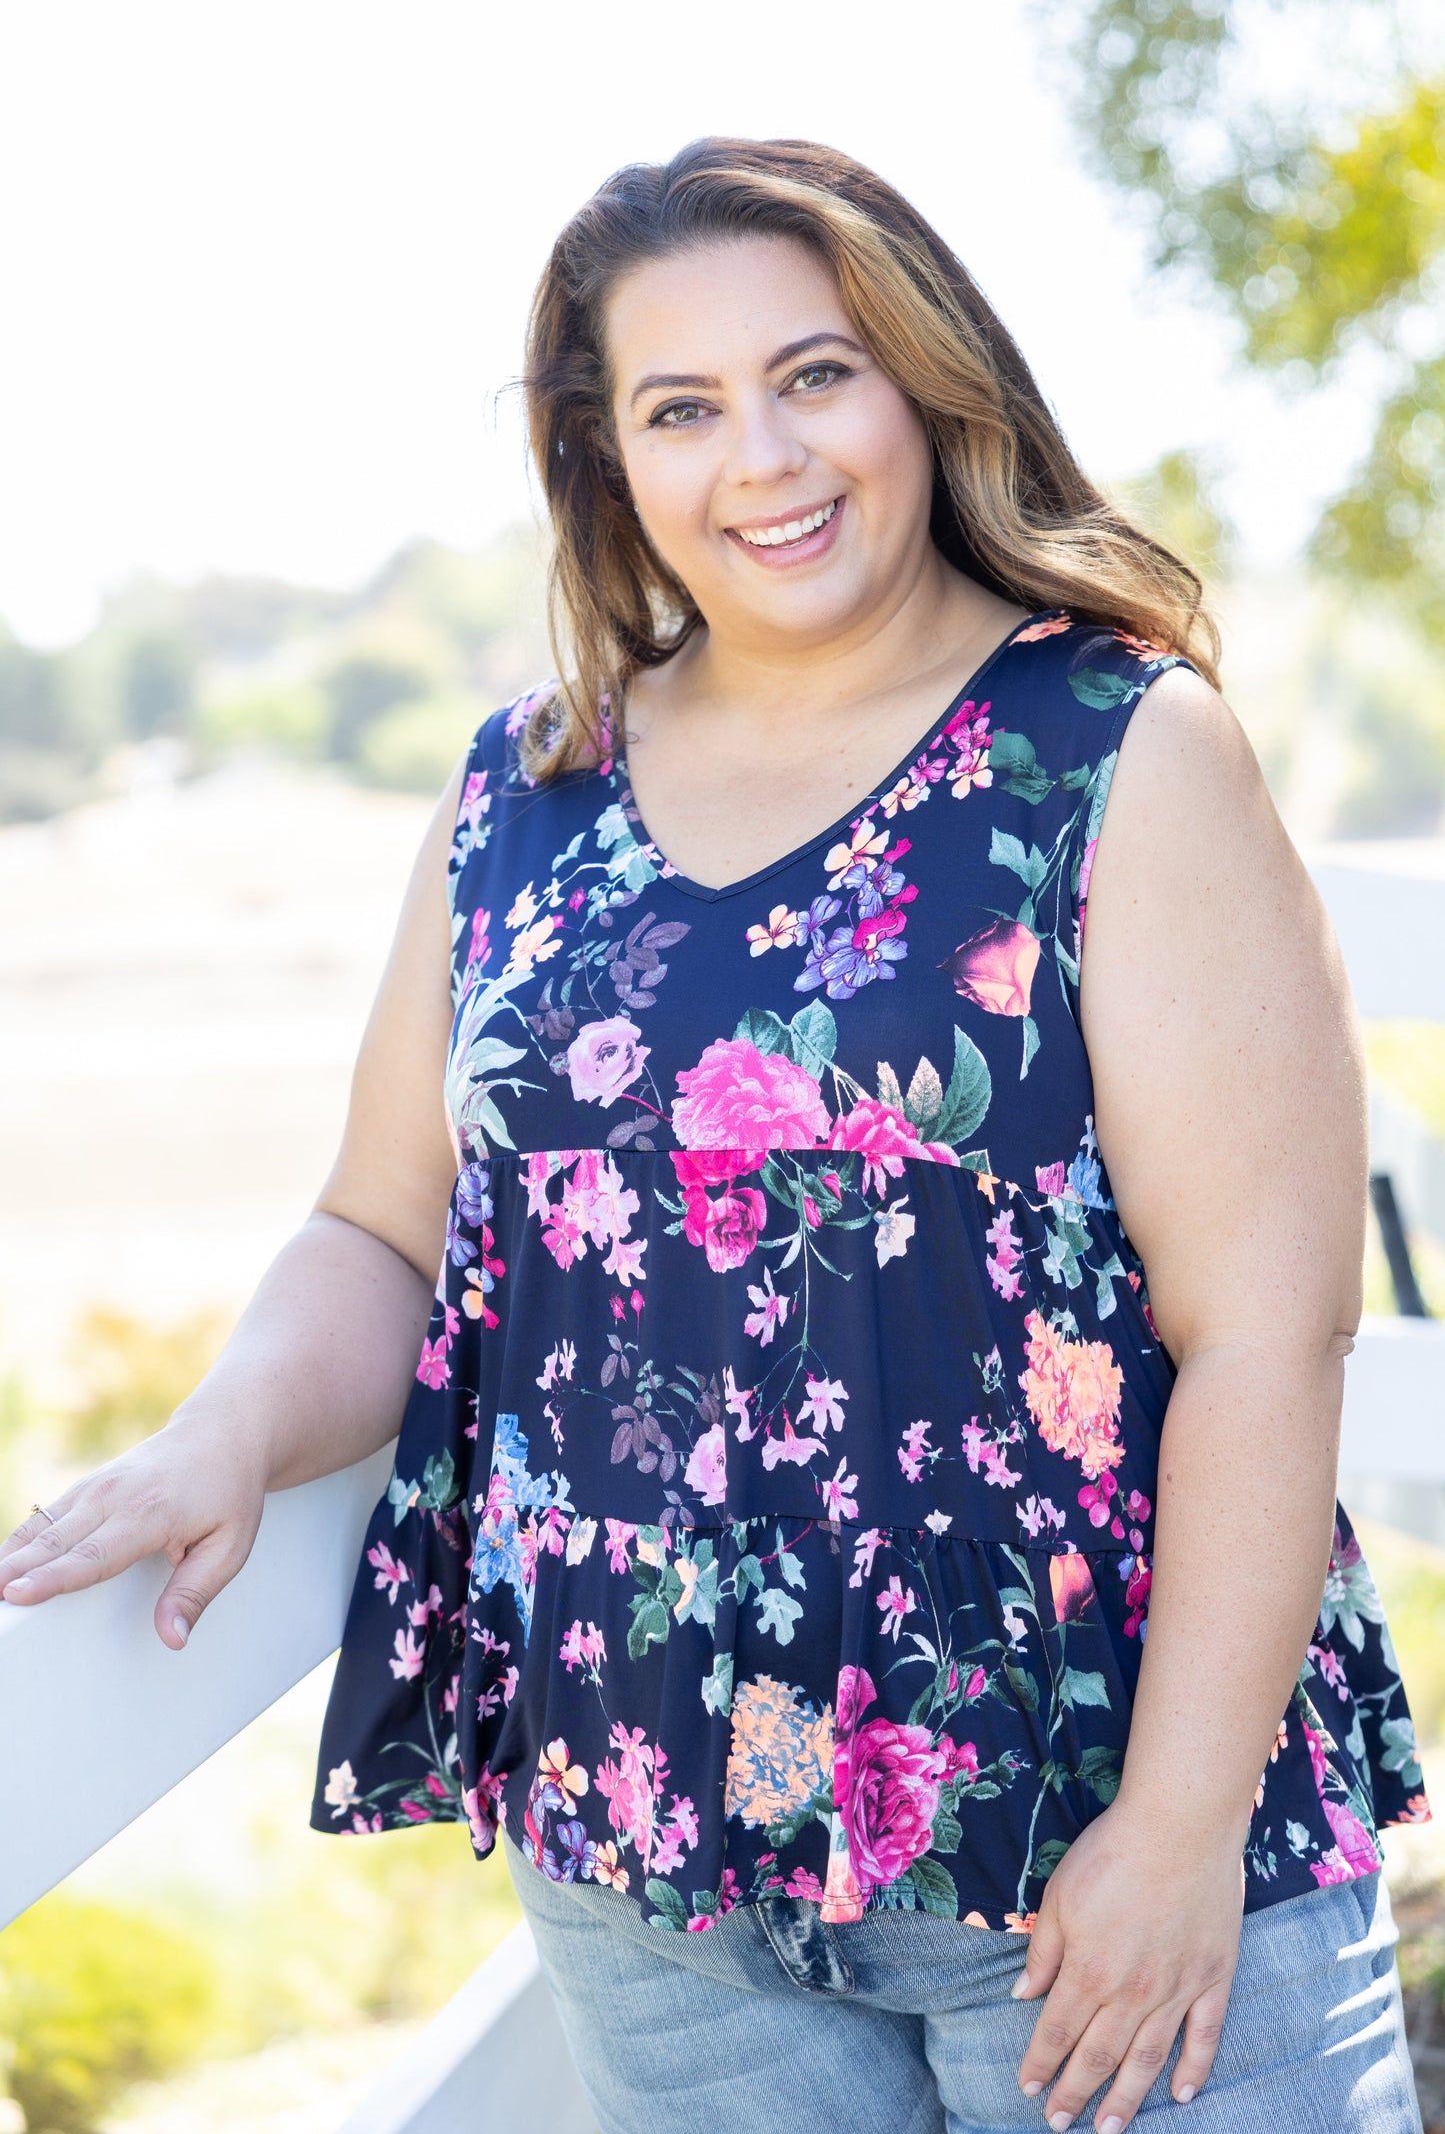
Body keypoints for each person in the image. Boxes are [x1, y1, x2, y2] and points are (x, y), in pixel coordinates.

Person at [0, 137, 1430, 2134]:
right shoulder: (524, 783)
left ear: (929, 386)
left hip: (1083, 1816)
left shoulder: (1114, 745)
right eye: (683, 407)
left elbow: (1269, 1325)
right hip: (653, 1836)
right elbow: (381, 1229)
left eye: (817, 374)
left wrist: (1186, 1823)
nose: (762, 458)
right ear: (610, 459)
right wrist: (220, 1430)